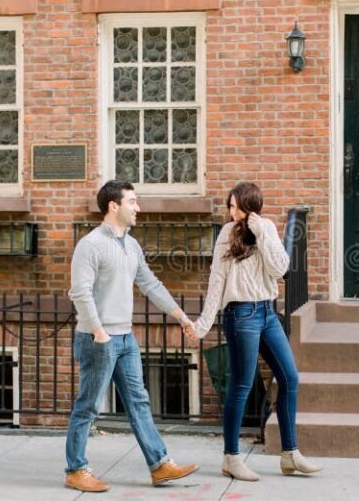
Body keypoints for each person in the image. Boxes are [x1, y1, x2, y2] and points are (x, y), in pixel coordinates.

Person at [65, 180, 199, 492]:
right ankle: (75, 469)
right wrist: (98, 330)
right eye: (133, 202)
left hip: (125, 338)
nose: (138, 208)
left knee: (139, 401)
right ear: (114, 206)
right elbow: (80, 292)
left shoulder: (131, 245)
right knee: (88, 405)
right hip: (98, 338)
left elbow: (150, 284)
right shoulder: (91, 245)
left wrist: (180, 316)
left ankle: (160, 464)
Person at [185, 182, 322, 481]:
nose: (231, 211)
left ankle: (290, 454)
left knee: (290, 378)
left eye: (236, 206)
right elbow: (216, 280)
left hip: (267, 313)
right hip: (241, 314)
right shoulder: (226, 234)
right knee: (242, 385)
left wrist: (260, 232)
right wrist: (203, 325)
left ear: (250, 205)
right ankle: (231, 457)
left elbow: (280, 268)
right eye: (229, 206)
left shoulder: (268, 228)